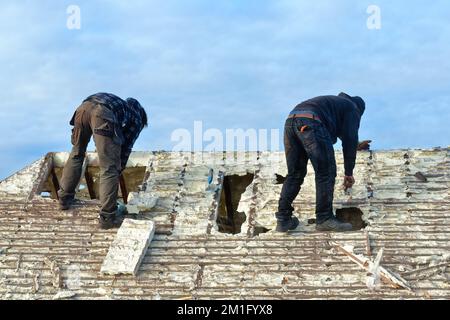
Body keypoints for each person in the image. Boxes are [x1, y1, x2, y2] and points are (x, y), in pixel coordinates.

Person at [275, 92, 368, 232]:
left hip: (291, 122)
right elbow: (349, 138)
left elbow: (345, 135)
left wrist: (356, 144)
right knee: (326, 172)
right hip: (311, 123)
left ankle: (283, 220)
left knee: (295, 173)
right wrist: (349, 172)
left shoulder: (333, 104)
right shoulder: (353, 108)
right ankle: (324, 218)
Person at [57, 93, 148, 229]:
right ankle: (107, 217)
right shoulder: (136, 118)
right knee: (109, 168)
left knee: (76, 153)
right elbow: (126, 147)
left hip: (83, 108)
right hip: (101, 113)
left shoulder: (121, 106)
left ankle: (64, 199)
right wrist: (118, 168)